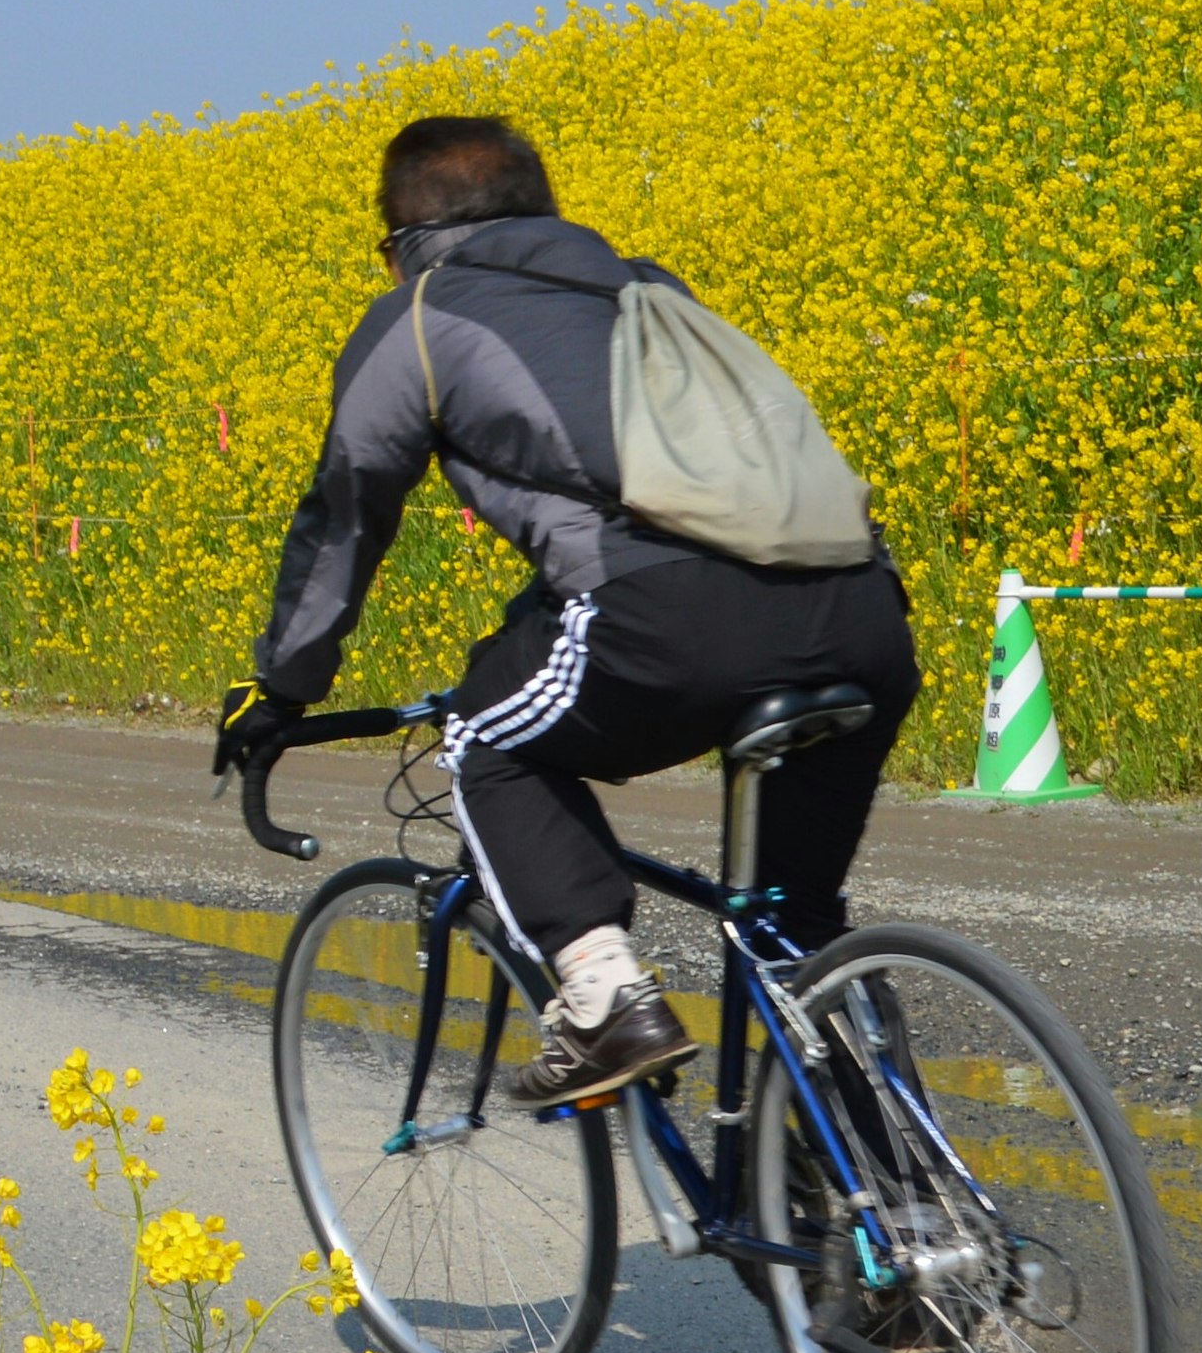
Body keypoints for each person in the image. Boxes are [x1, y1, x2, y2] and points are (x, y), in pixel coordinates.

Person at [214, 115, 919, 1104]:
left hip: (672, 621)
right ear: (544, 212)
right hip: (864, 615)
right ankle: (875, 1198)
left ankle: (601, 994)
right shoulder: (648, 285)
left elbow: (347, 508)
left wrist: (282, 688)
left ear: (400, 244)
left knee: (480, 733)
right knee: (794, 925)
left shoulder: (418, 314)